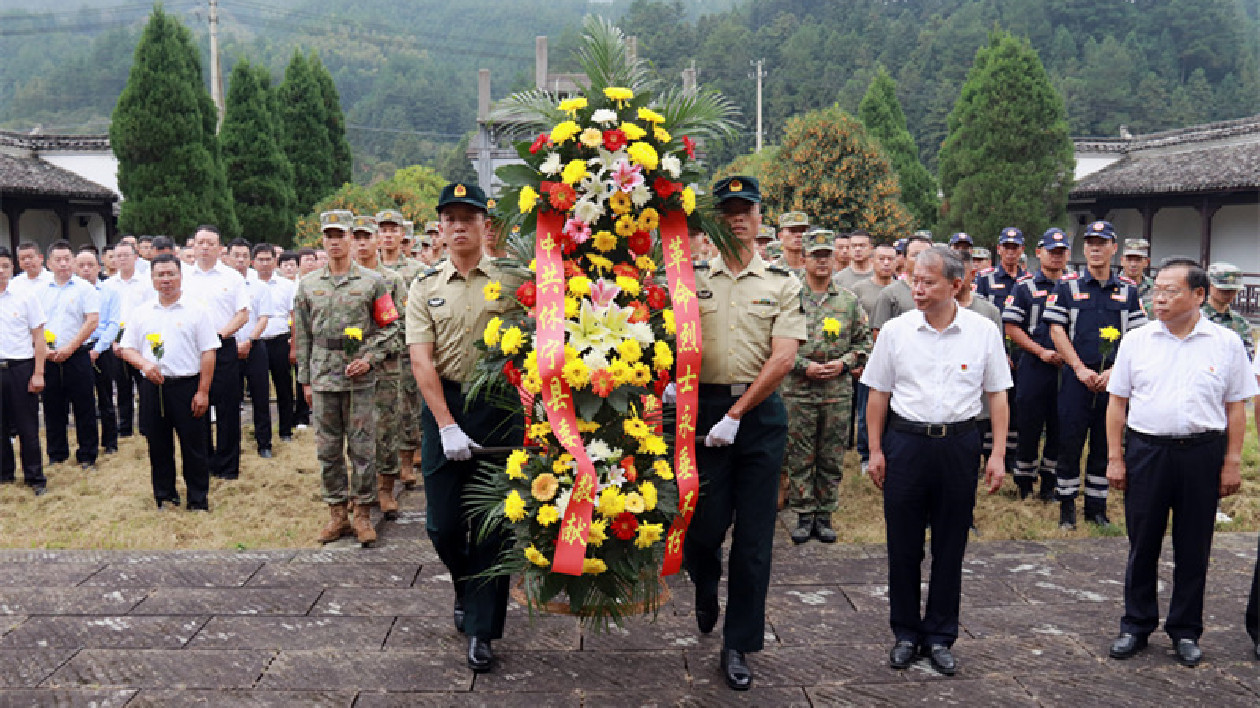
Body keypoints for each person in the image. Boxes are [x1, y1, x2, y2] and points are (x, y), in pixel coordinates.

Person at [862, 245, 1011, 677]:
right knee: (903, 544)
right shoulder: (896, 331)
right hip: (906, 443)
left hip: (959, 444)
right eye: (914, 280)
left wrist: (997, 453)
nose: (918, 289)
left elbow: (998, 395)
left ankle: (941, 635)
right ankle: (906, 632)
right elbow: (877, 394)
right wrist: (875, 450)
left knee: (950, 544)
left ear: (956, 285)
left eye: (928, 282)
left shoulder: (983, 331)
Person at [1104, 258, 1256, 668]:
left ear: (1198, 295)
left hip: (1202, 454)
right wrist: (1116, 457)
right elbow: (1117, 403)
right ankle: (1136, 624)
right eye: (1157, 290)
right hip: (1147, 452)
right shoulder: (1137, 340)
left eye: (1171, 291)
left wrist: (1232, 461)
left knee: (1194, 546)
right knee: (1143, 542)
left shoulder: (1226, 343)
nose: (1160, 298)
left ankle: (1185, 630)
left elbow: (1236, 407)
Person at [685, 176, 805, 691]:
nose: (737, 219)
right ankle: (704, 578)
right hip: (701, 413)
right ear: (714, 220)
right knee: (703, 526)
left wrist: (737, 413)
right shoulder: (689, 278)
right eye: (727, 211)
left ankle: (738, 644)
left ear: (760, 218)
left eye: (745, 210)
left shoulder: (782, 282)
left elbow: (784, 358)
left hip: (757, 418)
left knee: (754, 540)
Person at [406, 183, 526, 673]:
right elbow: (421, 361)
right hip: (445, 404)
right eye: (450, 219)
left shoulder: (513, 280)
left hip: (498, 408)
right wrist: (446, 425)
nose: (458, 227)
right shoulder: (425, 285)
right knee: (444, 525)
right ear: (440, 227)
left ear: (484, 226)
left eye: (468, 218)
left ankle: (482, 630)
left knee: (494, 525)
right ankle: (465, 584)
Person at [295, 210, 400, 547]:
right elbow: (303, 336)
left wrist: (369, 359)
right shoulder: (308, 284)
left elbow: (391, 327)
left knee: (363, 447)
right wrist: (305, 380)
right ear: (323, 240)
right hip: (323, 377)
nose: (335, 242)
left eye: (341, 235)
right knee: (327, 449)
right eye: (329, 236)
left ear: (351, 239)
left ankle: (363, 513)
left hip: (359, 380)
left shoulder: (372, 282)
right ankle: (337, 514)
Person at [1043, 220, 1147, 529]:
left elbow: (1137, 337)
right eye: (1090, 243)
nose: (1095, 248)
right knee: (1069, 441)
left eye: (1102, 243)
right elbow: (1057, 330)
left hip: (1113, 382)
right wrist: (1078, 367)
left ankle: (1096, 507)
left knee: (1104, 442)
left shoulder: (1128, 291)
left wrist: (1115, 371)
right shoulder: (1067, 287)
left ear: (1114, 248)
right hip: (1076, 379)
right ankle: (1066, 507)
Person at [781, 230, 871, 543]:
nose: (822, 261)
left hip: (836, 392)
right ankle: (804, 514)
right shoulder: (790, 298)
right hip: (798, 390)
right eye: (816, 256)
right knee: (799, 454)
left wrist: (844, 363)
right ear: (804, 259)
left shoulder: (848, 301)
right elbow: (775, 342)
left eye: (827, 256)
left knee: (831, 455)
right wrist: (804, 365)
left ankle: (825, 514)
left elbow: (864, 343)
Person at [118, 254, 219, 511]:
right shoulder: (141, 313)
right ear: (152, 279)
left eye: (171, 274)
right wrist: (144, 364)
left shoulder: (197, 310)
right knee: (158, 444)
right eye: (160, 275)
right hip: (153, 387)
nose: (166, 280)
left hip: (188, 386)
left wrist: (203, 391)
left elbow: (208, 352)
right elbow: (126, 348)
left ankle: (197, 499)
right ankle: (165, 496)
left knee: (194, 446)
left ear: (180, 276)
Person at [1002, 228, 1071, 501]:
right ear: (1039, 253)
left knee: (1060, 426)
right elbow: (1011, 326)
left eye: (1061, 252)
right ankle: (1024, 482)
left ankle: (1049, 483)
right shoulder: (1025, 286)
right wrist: (1041, 352)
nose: (1056, 257)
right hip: (1034, 365)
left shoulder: (1075, 287)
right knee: (1029, 425)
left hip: (1066, 369)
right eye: (1051, 252)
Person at [350, 214, 408, 520]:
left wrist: (374, 355)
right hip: (351, 368)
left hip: (385, 365)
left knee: (386, 428)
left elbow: (401, 326)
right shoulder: (346, 280)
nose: (362, 244)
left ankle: (385, 487)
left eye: (367, 237)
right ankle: (361, 489)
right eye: (357, 238)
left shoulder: (392, 280)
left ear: (376, 241)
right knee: (356, 430)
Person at [184, 226, 250, 480]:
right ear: (192, 245)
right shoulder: (184, 276)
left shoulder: (232, 277)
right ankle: (203, 462)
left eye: (210, 243)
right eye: (200, 242)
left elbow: (243, 314)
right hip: (192, 349)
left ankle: (227, 466)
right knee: (196, 406)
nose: (205, 247)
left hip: (223, 346)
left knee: (227, 408)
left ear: (220, 248)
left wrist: (220, 335)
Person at [38, 240, 100, 470]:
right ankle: (57, 454)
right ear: (49, 263)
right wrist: (45, 349)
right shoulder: (40, 291)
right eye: (58, 260)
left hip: (77, 355)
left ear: (73, 261)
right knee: (53, 406)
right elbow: (34, 324)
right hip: (49, 356)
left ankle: (87, 455)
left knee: (84, 406)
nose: (63, 264)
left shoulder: (85, 288)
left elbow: (91, 321)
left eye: (67, 259)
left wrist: (70, 348)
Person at [377, 209, 424, 488]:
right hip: (377, 351)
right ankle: (384, 467)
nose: (388, 235)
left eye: (393, 230)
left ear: (402, 234)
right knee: (380, 412)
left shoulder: (416, 271)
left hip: (405, 347)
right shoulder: (367, 270)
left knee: (408, 406)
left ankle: (407, 462)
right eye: (383, 230)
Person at [0, 247, 48, 495]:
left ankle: (35, 477)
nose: (0, 271)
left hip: (21, 368)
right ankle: (4, 475)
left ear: (12, 268)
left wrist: (38, 372)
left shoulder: (26, 297)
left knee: (27, 427)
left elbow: (39, 338)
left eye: (5, 266)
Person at [849, 242, 897, 473]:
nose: (886, 263)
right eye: (881, 259)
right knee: (866, 408)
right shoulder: (859, 289)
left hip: (897, 361)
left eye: (890, 259)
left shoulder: (902, 289)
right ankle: (866, 454)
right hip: (869, 358)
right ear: (873, 261)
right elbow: (851, 326)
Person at [227, 239, 276, 458]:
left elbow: (263, 318)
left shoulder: (260, 286)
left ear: (250, 259)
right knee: (229, 399)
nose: (240, 260)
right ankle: (231, 446)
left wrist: (249, 341)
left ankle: (264, 443)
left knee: (261, 397)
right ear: (227, 257)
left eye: (244, 256)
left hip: (255, 346)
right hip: (228, 346)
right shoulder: (223, 285)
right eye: (236, 255)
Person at [106, 241, 153, 438]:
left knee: (144, 385)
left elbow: (151, 312)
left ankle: (145, 426)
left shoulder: (146, 283)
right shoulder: (108, 285)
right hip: (116, 342)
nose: (122, 259)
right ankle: (124, 427)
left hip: (141, 342)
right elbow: (105, 316)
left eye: (126, 255)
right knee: (122, 386)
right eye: (118, 256)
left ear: (135, 257)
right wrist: (113, 341)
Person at [76, 248, 120, 455]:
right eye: (81, 266)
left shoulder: (110, 292)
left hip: (101, 349)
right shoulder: (72, 292)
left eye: (90, 265)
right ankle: (86, 443)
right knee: (83, 400)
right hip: (77, 349)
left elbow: (113, 324)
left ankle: (110, 442)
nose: (86, 269)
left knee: (106, 397)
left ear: (98, 267)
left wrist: (98, 349)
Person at [252, 244, 297, 444]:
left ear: (274, 261)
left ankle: (286, 430)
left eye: (268, 259)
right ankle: (262, 434)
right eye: (260, 259)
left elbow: (294, 316)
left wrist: (294, 346)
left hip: (280, 340)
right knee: (259, 391)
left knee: (284, 387)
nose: (264, 263)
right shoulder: (248, 285)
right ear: (253, 262)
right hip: (256, 342)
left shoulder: (286, 285)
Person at [870, 235, 933, 334]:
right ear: (904, 259)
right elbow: (879, 333)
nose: (921, 259)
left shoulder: (941, 292)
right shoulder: (889, 294)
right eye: (915, 255)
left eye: (926, 255)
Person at [1202, 262, 1255, 362]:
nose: (1229, 294)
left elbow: (1246, 358)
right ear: (1209, 286)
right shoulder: (1196, 317)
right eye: (1223, 290)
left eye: (1233, 290)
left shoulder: (1240, 322)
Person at [1121, 238, 1154, 313]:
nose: (1133, 264)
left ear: (1146, 262)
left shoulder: (1154, 287)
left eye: (1138, 260)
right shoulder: (1113, 285)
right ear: (1122, 261)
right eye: (1129, 259)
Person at [773, 211, 809, 277]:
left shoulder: (814, 270)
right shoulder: (772, 269)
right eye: (793, 231)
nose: (799, 235)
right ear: (780, 236)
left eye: (802, 231)